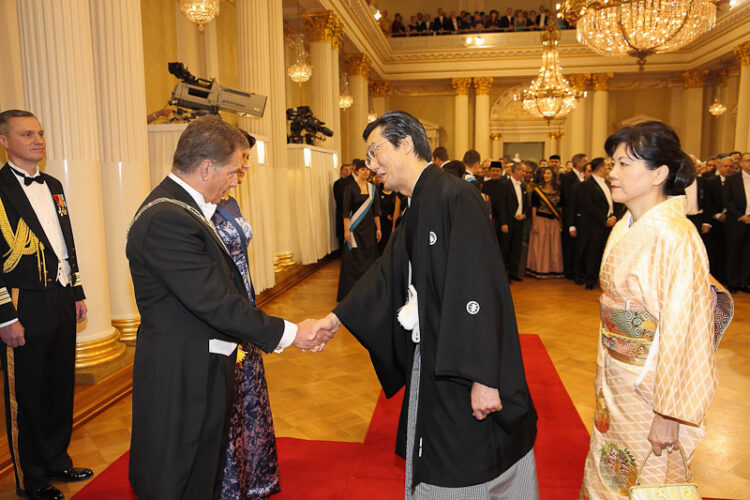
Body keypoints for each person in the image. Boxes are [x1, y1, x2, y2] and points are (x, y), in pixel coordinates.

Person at [313, 110, 538, 499]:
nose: (371, 166)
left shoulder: (455, 195)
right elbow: (388, 273)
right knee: (437, 443)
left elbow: (479, 290)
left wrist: (484, 378)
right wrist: (335, 318)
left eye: (375, 152)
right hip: (433, 352)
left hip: (466, 363)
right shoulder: (417, 204)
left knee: (466, 451)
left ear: (405, 144)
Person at [126, 116, 330, 500]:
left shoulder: (181, 209)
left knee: (202, 469)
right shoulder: (167, 219)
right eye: (235, 170)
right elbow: (215, 303)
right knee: (176, 475)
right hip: (180, 370)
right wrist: (292, 333)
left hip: (201, 362)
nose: (237, 180)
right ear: (206, 167)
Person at [580, 121, 733, 499]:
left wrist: (669, 415)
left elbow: (686, 329)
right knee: (610, 465)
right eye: (612, 163)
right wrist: (603, 369)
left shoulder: (675, 236)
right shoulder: (628, 224)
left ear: (659, 174)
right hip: (617, 374)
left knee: (646, 473)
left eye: (624, 164)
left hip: (651, 387)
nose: (612, 173)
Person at [0, 110, 91, 500]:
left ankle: (56, 459)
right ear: (4, 141)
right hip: (22, 301)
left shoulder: (53, 184)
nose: (38, 140)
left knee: (58, 384)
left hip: (59, 295)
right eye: (26, 134)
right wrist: (5, 314)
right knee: (28, 393)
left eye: (39, 133)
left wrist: (76, 290)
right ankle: (31, 476)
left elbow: (63, 240)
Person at [210, 131, 282, 498]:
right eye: (239, 165)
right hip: (223, 315)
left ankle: (253, 476)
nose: (242, 173)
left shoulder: (231, 205)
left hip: (246, 309)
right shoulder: (194, 212)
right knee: (226, 400)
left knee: (247, 396)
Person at [337, 160, 382, 300]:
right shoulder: (350, 188)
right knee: (353, 259)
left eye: (367, 169)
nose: (365, 172)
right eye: (362, 169)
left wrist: (379, 228)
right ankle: (351, 292)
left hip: (369, 229)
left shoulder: (372, 188)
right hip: (355, 230)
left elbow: (376, 211)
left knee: (370, 258)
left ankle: (369, 290)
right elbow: (345, 212)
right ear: (356, 171)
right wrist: (346, 230)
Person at [573, 158, 616, 289]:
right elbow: (588, 206)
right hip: (593, 224)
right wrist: (604, 219)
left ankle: (599, 277)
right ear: (601, 168)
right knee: (592, 252)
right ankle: (589, 279)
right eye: (607, 166)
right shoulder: (586, 185)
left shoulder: (608, 183)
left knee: (603, 251)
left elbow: (613, 202)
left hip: (609, 222)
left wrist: (613, 216)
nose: (609, 169)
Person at [526, 166, 563, 279]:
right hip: (541, 220)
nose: (546, 175)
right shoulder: (537, 190)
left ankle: (553, 270)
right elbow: (534, 207)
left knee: (554, 247)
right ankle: (539, 270)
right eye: (545, 173)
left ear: (553, 175)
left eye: (548, 173)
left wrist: (561, 221)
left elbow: (560, 207)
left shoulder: (558, 190)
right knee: (540, 246)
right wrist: (535, 223)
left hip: (553, 222)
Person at [723, 151, 750, 293]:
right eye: (747, 160)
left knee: (747, 253)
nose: (749, 163)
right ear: (740, 163)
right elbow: (727, 201)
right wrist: (741, 216)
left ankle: (743, 281)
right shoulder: (732, 179)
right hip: (736, 221)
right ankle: (732, 282)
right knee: (733, 252)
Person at [500, 163, 530, 281]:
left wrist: (524, 214)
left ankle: (514, 273)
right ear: (515, 171)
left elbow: (526, 203)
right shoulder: (504, 185)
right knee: (505, 249)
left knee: (516, 248)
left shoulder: (522, 186)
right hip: (508, 221)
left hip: (519, 221)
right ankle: (503, 276)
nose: (524, 173)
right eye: (522, 171)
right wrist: (503, 223)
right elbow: (501, 205)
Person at [561, 153, 588, 280]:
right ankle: (569, 271)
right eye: (585, 161)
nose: (587, 163)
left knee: (580, 245)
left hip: (583, 218)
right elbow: (568, 199)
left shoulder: (585, 177)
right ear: (578, 163)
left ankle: (579, 270)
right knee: (570, 246)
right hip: (571, 215)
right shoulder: (568, 177)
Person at [377, 177, 401, 254]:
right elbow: (377, 207)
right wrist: (385, 214)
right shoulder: (378, 193)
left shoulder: (395, 194)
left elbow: (397, 208)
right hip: (382, 222)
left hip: (393, 222)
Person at [333, 163, 355, 250]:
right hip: (342, 211)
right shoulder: (337, 183)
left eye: (350, 170)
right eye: (346, 169)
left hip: (352, 212)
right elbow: (338, 199)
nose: (348, 171)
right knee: (342, 232)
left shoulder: (353, 183)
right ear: (341, 171)